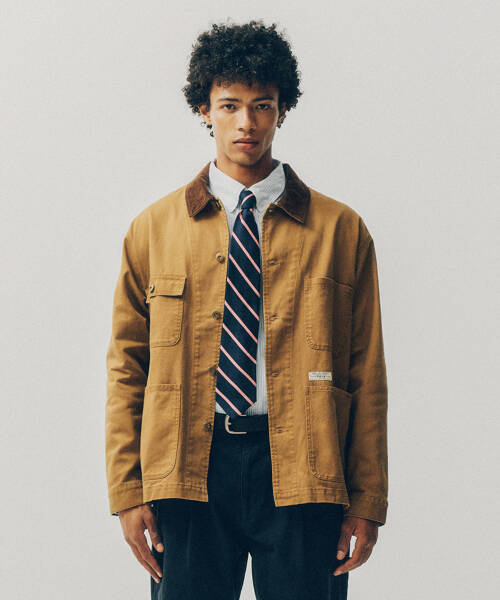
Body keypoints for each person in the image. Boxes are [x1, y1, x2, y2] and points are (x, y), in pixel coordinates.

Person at [105, 19, 388, 600]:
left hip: (306, 465)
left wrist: (367, 500)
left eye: (262, 105)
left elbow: (366, 373)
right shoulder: (153, 230)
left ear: (282, 111)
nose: (246, 123)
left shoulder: (340, 231)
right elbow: (126, 369)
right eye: (229, 105)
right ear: (204, 110)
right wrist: (128, 492)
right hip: (188, 466)